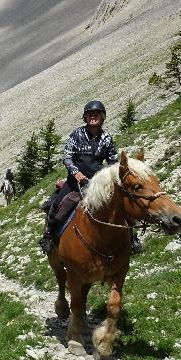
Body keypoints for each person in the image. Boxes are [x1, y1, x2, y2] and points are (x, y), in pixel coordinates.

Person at [39, 100, 140, 254]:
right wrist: (75, 172)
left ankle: (132, 238)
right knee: (56, 205)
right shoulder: (76, 135)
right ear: (85, 118)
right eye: (90, 115)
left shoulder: (106, 138)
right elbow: (67, 157)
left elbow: (112, 161)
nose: (93, 117)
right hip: (75, 182)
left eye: (96, 114)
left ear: (102, 117)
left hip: (98, 183)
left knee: (120, 205)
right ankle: (49, 236)